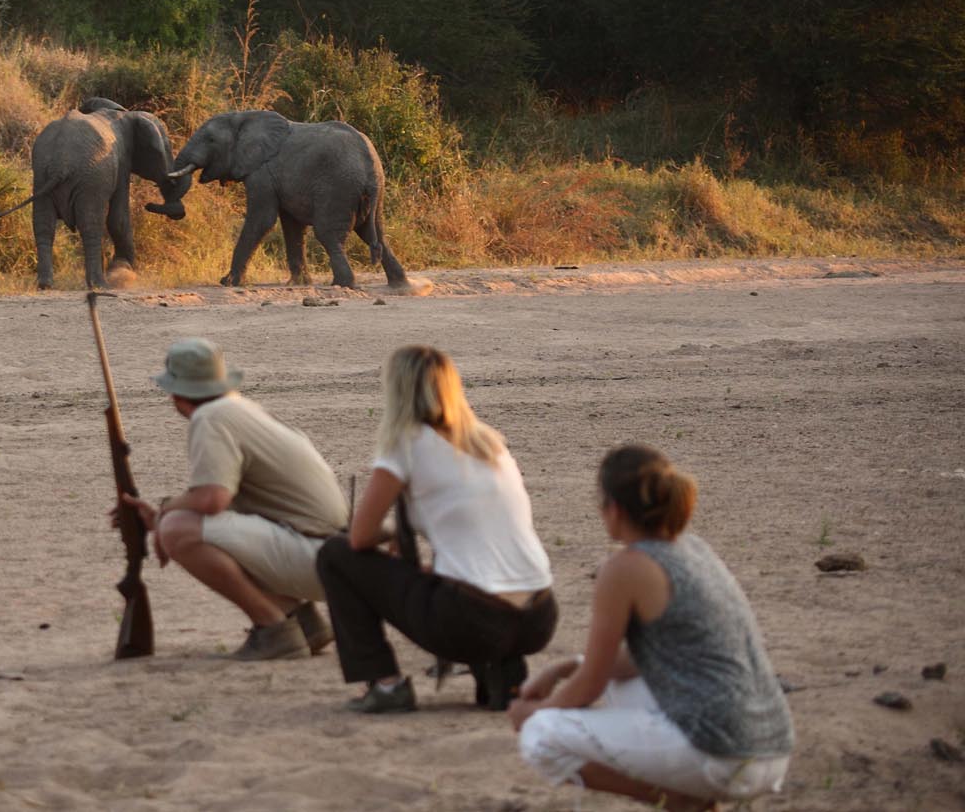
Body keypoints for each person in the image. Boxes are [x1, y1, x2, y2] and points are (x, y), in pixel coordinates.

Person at [508, 444, 794, 811]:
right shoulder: (693, 550)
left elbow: (590, 684)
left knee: (540, 737)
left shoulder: (625, 567)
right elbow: (633, 663)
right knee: (620, 685)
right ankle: (690, 797)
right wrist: (561, 669)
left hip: (723, 753)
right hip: (770, 746)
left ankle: (681, 803)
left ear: (614, 509)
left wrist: (537, 711)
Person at [315, 345, 556, 714]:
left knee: (335, 555)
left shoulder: (406, 445)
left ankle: (385, 683)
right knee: (456, 580)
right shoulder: (490, 444)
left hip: (475, 622)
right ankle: (505, 674)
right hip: (538, 617)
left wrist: (391, 531)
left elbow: (360, 537)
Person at [115, 337, 348, 661]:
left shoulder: (211, 417)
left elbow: (213, 500)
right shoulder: (242, 409)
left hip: (318, 558)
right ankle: (301, 620)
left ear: (178, 394)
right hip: (330, 557)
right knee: (177, 524)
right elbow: (233, 506)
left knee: (178, 529)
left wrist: (166, 514)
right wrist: (159, 517)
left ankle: (274, 629)